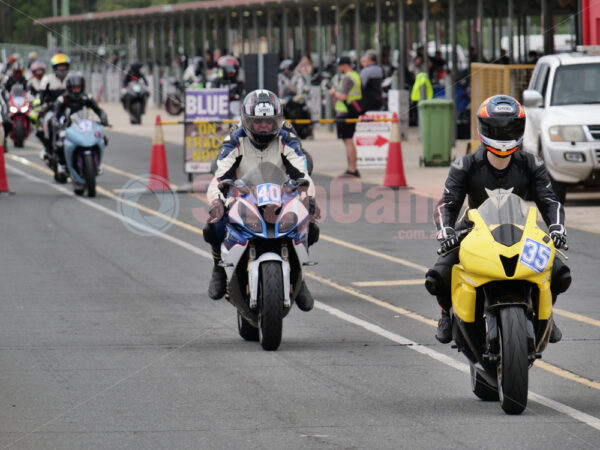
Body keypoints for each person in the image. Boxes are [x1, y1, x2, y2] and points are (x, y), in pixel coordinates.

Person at [424, 95, 571, 344]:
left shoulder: (532, 163)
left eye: (510, 128)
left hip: (523, 230)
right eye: (496, 129)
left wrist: (557, 227)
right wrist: (446, 232)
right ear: (483, 129)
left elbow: (550, 200)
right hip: (471, 231)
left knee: (560, 274)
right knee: (437, 278)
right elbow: (446, 204)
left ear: (521, 129)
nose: (503, 136)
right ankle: (446, 314)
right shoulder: (465, 165)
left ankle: (548, 312)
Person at [203, 89, 319, 310]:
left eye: (269, 122)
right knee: (213, 225)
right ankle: (219, 267)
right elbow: (219, 176)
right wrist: (217, 200)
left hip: (281, 195)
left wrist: (307, 197)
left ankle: (299, 276)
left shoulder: (288, 138)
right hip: (242, 195)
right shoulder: (234, 139)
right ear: (247, 121)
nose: (265, 127)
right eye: (258, 123)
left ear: (278, 120)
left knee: (310, 224)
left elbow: (303, 173)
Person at [53, 73, 108, 177]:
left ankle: (98, 164)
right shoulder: (63, 99)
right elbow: (56, 114)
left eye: (78, 88)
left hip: (85, 125)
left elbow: (98, 110)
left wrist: (103, 118)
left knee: (102, 139)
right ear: (69, 88)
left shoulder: (87, 97)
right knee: (59, 144)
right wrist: (57, 122)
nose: (76, 90)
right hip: (69, 126)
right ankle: (62, 164)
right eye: (74, 88)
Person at [328, 56, 362, 178]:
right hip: (350, 111)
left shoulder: (348, 78)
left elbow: (343, 97)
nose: (338, 68)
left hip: (345, 112)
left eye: (339, 65)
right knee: (348, 140)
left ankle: (352, 169)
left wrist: (333, 92)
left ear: (344, 65)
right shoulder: (356, 76)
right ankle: (352, 168)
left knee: (348, 141)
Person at [39, 53, 71, 160]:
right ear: (54, 68)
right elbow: (41, 98)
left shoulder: (72, 79)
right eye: (59, 66)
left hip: (69, 109)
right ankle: (49, 148)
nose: (62, 69)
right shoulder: (47, 80)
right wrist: (43, 105)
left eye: (64, 66)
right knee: (47, 123)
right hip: (52, 109)